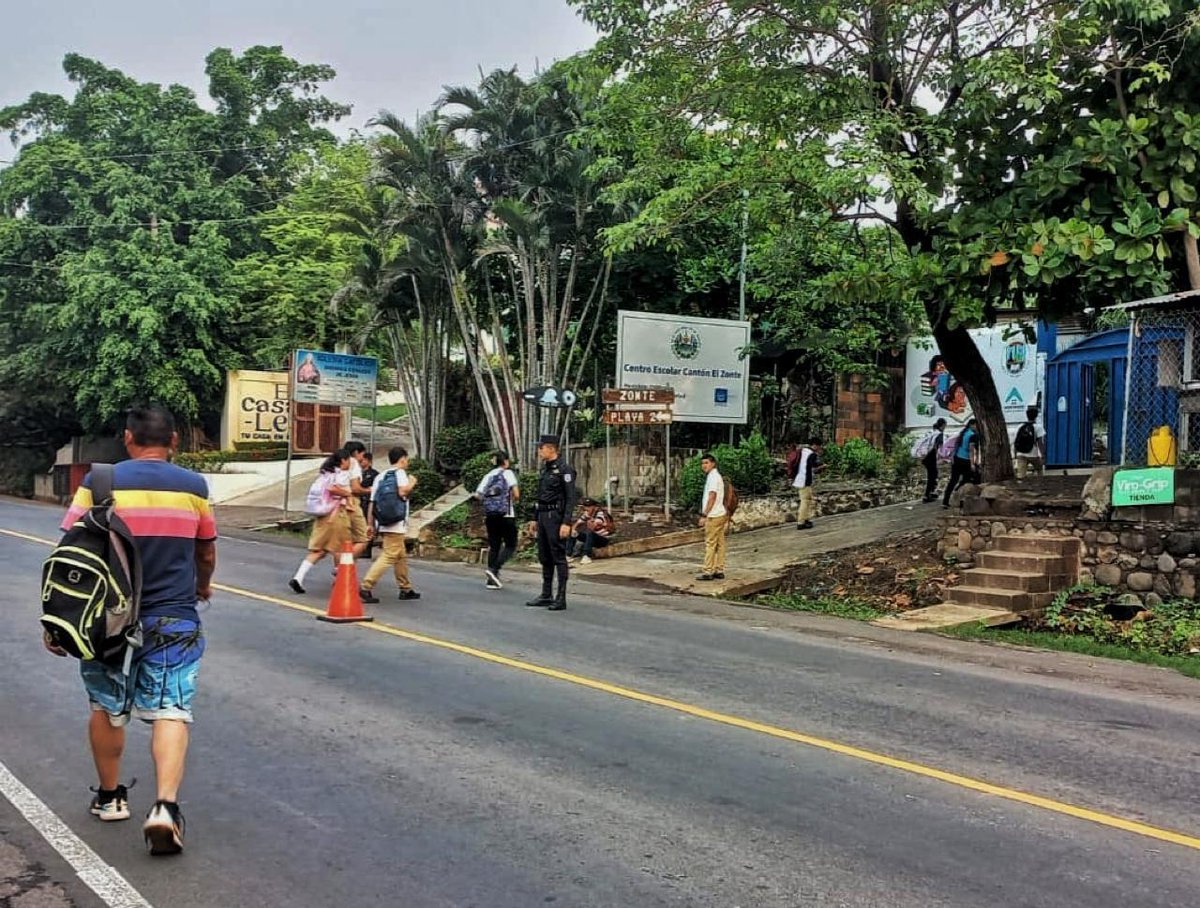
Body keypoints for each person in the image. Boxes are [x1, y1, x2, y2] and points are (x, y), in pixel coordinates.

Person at [48, 405, 217, 856]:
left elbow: (71, 554)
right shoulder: (195, 487)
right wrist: (201, 588)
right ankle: (164, 807)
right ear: (175, 441)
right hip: (173, 618)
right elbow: (205, 552)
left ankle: (110, 799)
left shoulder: (99, 483)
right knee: (170, 709)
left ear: (128, 438)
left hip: (106, 621)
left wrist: (56, 621)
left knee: (106, 706)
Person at [525, 434, 577, 611]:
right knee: (544, 556)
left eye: (541, 447)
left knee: (558, 556)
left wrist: (566, 522)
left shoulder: (565, 470)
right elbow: (540, 496)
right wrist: (534, 517)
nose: (539, 451)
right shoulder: (545, 470)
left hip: (556, 516)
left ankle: (560, 597)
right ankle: (546, 594)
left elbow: (570, 498)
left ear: (551, 448)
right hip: (543, 515)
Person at [361, 446, 420, 602]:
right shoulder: (400, 474)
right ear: (402, 459)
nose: (407, 462)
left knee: (400, 555)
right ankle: (366, 586)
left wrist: (370, 524)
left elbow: (372, 502)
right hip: (396, 521)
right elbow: (403, 492)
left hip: (383, 520)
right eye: (406, 459)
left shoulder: (381, 476)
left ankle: (405, 588)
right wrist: (412, 482)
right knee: (389, 555)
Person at [289, 449, 353, 593]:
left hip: (322, 516)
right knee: (340, 548)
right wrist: (347, 493)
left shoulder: (325, 474)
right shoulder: (340, 474)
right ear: (343, 460)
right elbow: (333, 489)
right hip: (336, 516)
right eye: (349, 460)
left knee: (319, 550)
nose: (350, 463)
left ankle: (298, 577)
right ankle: (340, 581)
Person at [472, 449, 520, 590]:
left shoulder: (488, 476)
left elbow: (478, 495)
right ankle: (494, 569)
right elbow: (516, 494)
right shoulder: (508, 473)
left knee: (494, 546)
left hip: (491, 515)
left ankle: (491, 580)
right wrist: (511, 500)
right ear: (505, 461)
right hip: (506, 515)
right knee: (511, 544)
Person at [696, 453, 728, 581]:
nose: (704, 466)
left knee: (710, 543)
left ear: (713, 463)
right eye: (702, 463)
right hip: (720, 514)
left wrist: (704, 514)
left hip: (713, 515)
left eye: (706, 463)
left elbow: (712, 496)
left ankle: (708, 571)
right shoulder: (715, 476)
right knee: (720, 544)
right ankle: (719, 569)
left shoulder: (713, 477)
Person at [942, 417, 981, 509]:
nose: (977, 427)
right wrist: (972, 464)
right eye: (976, 425)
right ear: (972, 425)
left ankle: (945, 501)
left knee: (953, 480)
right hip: (965, 460)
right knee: (968, 479)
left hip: (956, 458)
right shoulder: (973, 435)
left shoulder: (963, 432)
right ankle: (958, 495)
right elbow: (971, 450)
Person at [342, 440, 372, 559]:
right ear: (356, 452)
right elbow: (355, 488)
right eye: (362, 454)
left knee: (343, 540)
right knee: (363, 538)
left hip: (339, 502)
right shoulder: (353, 463)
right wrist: (368, 490)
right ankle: (344, 564)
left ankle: (340, 571)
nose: (362, 458)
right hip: (352, 502)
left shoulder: (339, 462)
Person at [566, 498, 614, 564]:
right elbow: (577, 523)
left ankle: (586, 556)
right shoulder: (587, 513)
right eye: (585, 506)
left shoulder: (600, 513)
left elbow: (593, 526)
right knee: (573, 532)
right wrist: (574, 530)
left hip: (602, 539)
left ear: (594, 506)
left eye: (589, 506)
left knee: (589, 532)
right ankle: (568, 555)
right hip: (592, 538)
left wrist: (589, 521)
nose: (586, 508)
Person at [791, 440, 823, 530]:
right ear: (815, 445)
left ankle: (805, 519)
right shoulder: (812, 454)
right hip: (805, 480)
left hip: (799, 478)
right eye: (819, 446)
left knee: (806, 500)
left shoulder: (803, 451)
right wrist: (821, 466)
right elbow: (812, 466)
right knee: (805, 501)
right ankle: (801, 522)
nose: (819, 448)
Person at [1013, 406, 1046, 479]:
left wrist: (1015, 454)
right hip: (1033, 455)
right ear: (1036, 415)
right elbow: (1040, 443)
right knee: (1039, 470)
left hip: (1020, 454)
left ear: (1026, 415)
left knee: (1021, 475)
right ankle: (1041, 485)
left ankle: (1021, 487)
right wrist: (1043, 456)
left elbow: (1016, 441)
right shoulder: (1038, 427)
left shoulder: (1020, 426)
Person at [921, 418, 947, 502]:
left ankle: (932, 492)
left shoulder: (933, 432)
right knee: (932, 476)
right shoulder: (939, 434)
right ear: (942, 425)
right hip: (930, 457)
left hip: (926, 457)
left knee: (934, 474)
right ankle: (926, 495)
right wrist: (941, 456)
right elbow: (938, 446)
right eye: (945, 425)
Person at [359, 451, 379, 558]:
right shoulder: (359, 473)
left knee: (368, 525)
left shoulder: (374, 474)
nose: (361, 462)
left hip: (368, 503)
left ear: (369, 461)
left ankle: (367, 550)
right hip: (359, 502)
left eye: (363, 460)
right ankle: (360, 547)